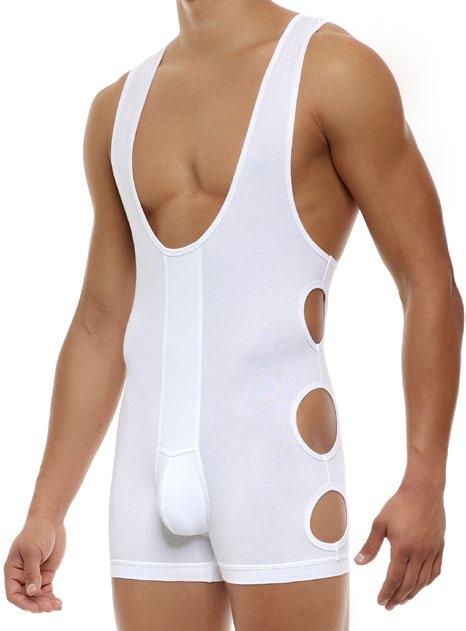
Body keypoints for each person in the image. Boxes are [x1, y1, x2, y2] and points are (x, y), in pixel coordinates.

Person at [4, 1, 463, 630]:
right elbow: (100, 321)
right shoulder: (116, 108)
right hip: (143, 475)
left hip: (277, 462)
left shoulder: (332, 71)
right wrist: (46, 508)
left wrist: (425, 480)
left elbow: (428, 281)